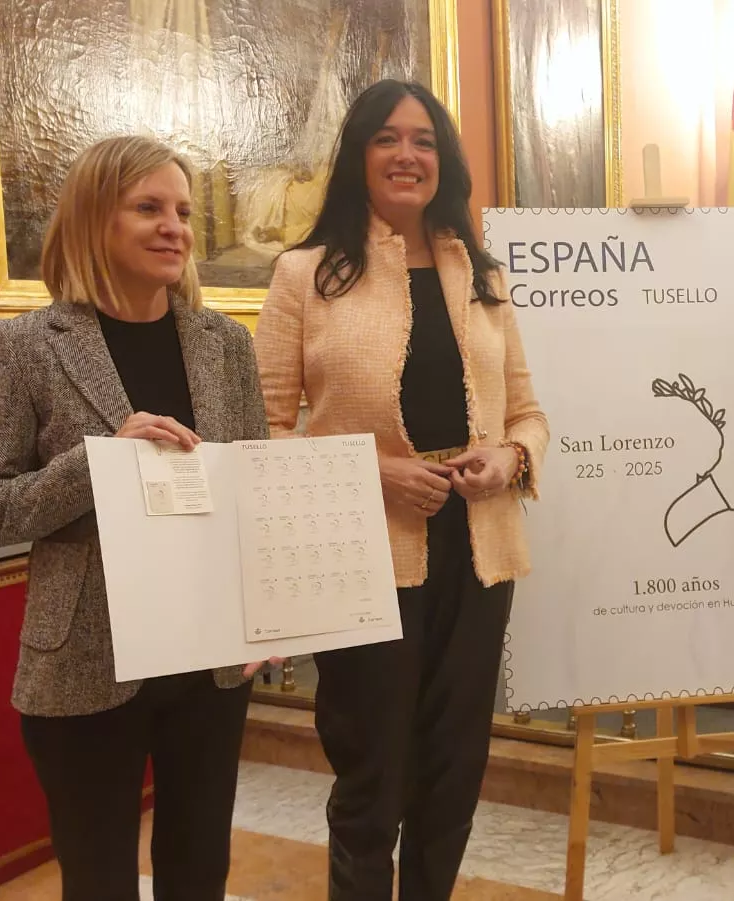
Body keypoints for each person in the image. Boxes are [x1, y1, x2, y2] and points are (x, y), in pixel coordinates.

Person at [0, 135, 276, 901]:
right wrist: (98, 460)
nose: (176, 228)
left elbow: (252, 493)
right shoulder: (30, 344)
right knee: (97, 879)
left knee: (198, 871)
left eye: (184, 212)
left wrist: (269, 620)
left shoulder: (226, 343)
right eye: (149, 208)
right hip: (85, 659)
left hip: (208, 660)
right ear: (97, 219)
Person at [254, 79, 549, 900]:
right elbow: (264, 434)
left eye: (422, 139)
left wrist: (510, 460)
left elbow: (528, 414)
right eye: (387, 138)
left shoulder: (482, 274)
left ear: (442, 160)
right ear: (357, 156)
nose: (406, 154)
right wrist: (369, 473)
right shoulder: (303, 276)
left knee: (453, 770)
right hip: (362, 556)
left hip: (479, 549)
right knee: (371, 775)